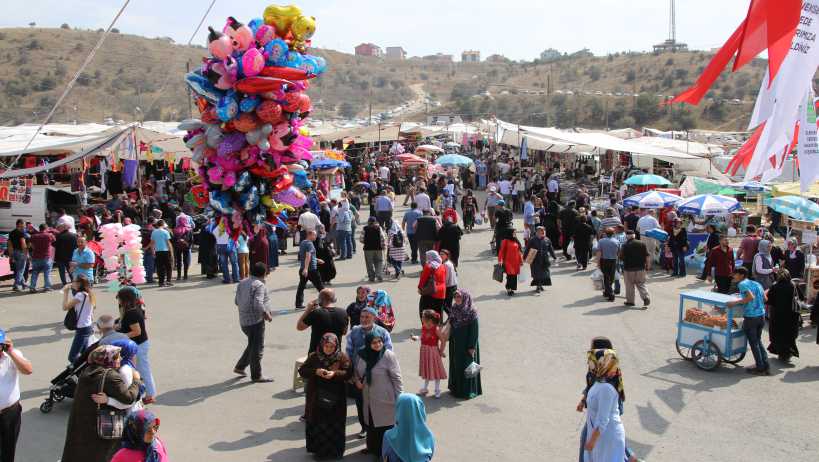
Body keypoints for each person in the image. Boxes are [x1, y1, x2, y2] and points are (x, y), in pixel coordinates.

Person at [60, 345, 141, 462]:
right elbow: (128, 398)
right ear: (108, 358)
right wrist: (137, 381)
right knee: (101, 455)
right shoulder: (110, 376)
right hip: (100, 425)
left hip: (81, 424)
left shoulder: (87, 371)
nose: (120, 358)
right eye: (117, 356)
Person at [299, 333, 352, 460]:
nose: (328, 349)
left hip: (336, 398)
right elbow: (302, 371)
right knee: (319, 423)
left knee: (335, 424)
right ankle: (319, 452)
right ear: (322, 345)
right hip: (316, 397)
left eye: (331, 347)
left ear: (336, 347)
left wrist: (334, 374)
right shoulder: (314, 357)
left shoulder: (342, 357)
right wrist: (315, 372)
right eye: (326, 346)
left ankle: (335, 452)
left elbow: (348, 373)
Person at [346, 308, 394, 439]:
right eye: (362, 317)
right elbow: (349, 356)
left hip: (379, 378)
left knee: (378, 405)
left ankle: (378, 433)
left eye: (367, 317)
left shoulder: (382, 332)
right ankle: (364, 427)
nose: (364, 319)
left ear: (374, 318)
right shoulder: (354, 332)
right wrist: (354, 378)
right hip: (359, 378)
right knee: (361, 404)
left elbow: (389, 354)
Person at [354, 331, 403, 457]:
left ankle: (384, 453)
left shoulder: (387, 355)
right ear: (368, 343)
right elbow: (356, 371)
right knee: (370, 423)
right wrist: (357, 381)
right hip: (368, 397)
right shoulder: (361, 354)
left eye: (379, 342)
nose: (377, 345)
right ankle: (372, 448)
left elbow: (397, 378)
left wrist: (399, 398)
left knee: (384, 427)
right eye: (374, 342)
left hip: (384, 398)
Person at [582, 349, 627, 462]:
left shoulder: (606, 389)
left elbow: (603, 420)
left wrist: (591, 442)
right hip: (600, 436)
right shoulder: (598, 384)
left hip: (608, 438)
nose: (589, 365)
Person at [234, 262, 274, 383]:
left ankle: (240, 367)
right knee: (257, 348)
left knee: (253, 344)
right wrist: (266, 314)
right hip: (255, 322)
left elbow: (236, 301)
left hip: (244, 321)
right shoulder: (259, 285)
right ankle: (256, 375)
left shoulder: (242, 282)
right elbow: (258, 303)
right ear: (264, 274)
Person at [116, 287, 157, 403]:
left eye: (119, 298)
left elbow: (136, 331)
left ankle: (150, 395)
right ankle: (145, 392)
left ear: (124, 299)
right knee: (139, 369)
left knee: (143, 370)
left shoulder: (131, 313)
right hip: (140, 344)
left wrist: (122, 336)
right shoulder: (132, 309)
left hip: (139, 345)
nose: (118, 300)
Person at [726, 267, 770, 375]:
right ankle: (765, 365)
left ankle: (760, 367)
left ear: (741, 275)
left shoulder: (742, 284)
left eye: (735, 274)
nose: (733, 276)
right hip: (761, 316)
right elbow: (765, 299)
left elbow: (750, 297)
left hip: (751, 317)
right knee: (758, 341)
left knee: (754, 343)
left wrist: (734, 303)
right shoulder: (756, 283)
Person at [0, 329, 33, 462]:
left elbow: (28, 370)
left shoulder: (12, 356)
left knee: (8, 449)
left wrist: (11, 352)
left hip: (9, 413)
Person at [92, 339, 143, 413]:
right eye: (133, 354)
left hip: (129, 412)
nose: (120, 358)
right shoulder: (124, 371)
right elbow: (128, 401)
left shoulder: (122, 370)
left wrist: (108, 400)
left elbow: (129, 401)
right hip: (128, 413)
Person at [447, 289, 481, 399]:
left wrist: (472, 347)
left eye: (459, 297)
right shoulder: (454, 309)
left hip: (467, 345)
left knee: (468, 367)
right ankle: (456, 389)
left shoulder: (471, 312)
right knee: (457, 366)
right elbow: (450, 324)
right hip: (456, 344)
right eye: (455, 297)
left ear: (465, 298)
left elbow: (475, 330)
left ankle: (468, 391)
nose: (457, 299)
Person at [382, 393, 436, 462]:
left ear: (398, 411)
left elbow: (385, 457)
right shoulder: (429, 436)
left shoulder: (389, 436)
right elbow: (430, 456)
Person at [297, 288, 349, 354]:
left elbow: (299, 327)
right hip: (335, 355)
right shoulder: (343, 313)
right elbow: (344, 332)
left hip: (316, 356)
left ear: (320, 300)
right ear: (334, 299)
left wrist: (308, 310)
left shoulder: (316, 313)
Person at [766, 268, 800, 362]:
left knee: (777, 334)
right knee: (789, 334)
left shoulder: (775, 286)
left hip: (777, 314)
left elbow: (769, 300)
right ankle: (788, 352)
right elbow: (800, 297)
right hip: (791, 314)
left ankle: (781, 353)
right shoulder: (793, 285)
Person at [62, 276, 96, 363]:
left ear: (79, 283)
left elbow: (65, 307)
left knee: (72, 357)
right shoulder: (89, 294)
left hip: (82, 329)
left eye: (74, 281)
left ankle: (80, 372)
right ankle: (87, 370)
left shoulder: (80, 295)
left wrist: (65, 292)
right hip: (87, 326)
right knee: (85, 354)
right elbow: (91, 313)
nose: (72, 283)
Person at [414, 310, 447, 399]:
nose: (422, 318)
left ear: (429, 320)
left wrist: (440, 351)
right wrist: (416, 338)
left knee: (436, 370)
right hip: (424, 351)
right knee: (427, 369)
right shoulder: (424, 327)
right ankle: (425, 388)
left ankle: (437, 389)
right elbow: (423, 336)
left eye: (423, 317)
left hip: (433, 351)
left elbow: (443, 340)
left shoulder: (435, 329)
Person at [295, 230, 325, 309]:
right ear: (310, 235)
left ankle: (298, 304)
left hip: (303, 268)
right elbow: (308, 256)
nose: (316, 237)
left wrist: (317, 260)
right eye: (315, 235)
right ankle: (326, 301)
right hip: (311, 270)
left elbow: (308, 256)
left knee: (301, 287)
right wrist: (306, 269)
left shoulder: (303, 243)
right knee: (320, 286)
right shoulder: (309, 244)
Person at [620, 230, 650, 308]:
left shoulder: (625, 245)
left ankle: (630, 301)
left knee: (629, 285)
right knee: (641, 284)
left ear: (627, 236)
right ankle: (645, 297)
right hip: (641, 268)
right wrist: (648, 265)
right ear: (634, 235)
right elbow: (647, 255)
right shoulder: (642, 243)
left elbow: (621, 257)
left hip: (628, 268)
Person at [525, 226, 557, 294]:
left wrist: (554, 257)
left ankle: (540, 285)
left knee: (544, 273)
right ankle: (538, 286)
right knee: (537, 273)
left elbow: (551, 249)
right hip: (535, 259)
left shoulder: (547, 239)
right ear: (536, 232)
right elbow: (527, 249)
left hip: (544, 259)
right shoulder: (532, 240)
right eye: (540, 231)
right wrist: (524, 258)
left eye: (543, 231)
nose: (542, 232)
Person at [418, 250, 447, 318]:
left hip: (431, 292)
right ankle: (439, 326)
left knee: (425, 311)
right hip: (442, 292)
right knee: (438, 312)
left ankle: (428, 327)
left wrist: (420, 288)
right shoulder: (442, 266)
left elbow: (423, 279)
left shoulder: (429, 266)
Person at [28, 223, 55, 292]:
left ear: (39, 228)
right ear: (46, 228)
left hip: (35, 257)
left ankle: (32, 287)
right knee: (47, 272)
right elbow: (54, 240)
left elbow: (30, 245)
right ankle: (47, 287)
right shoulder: (49, 235)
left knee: (35, 272)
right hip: (46, 257)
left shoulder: (33, 236)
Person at [597, 228, 620, 302]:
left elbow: (599, 253)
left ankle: (610, 293)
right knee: (611, 276)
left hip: (604, 260)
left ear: (605, 233)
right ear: (613, 233)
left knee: (606, 277)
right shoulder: (617, 241)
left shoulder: (601, 241)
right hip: (613, 260)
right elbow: (618, 253)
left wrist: (598, 262)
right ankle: (607, 292)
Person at [498, 230, 523, 296]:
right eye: (514, 233)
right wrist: (499, 260)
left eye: (515, 232)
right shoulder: (505, 241)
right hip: (508, 262)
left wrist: (521, 261)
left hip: (516, 262)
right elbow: (501, 251)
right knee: (510, 275)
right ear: (510, 233)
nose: (515, 234)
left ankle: (512, 288)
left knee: (514, 276)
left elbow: (519, 252)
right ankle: (508, 288)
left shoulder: (516, 241)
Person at [213, 220, 239, 284]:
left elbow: (214, 233)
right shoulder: (231, 227)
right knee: (234, 263)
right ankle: (236, 278)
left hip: (221, 248)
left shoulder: (218, 228)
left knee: (224, 264)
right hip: (231, 247)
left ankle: (227, 279)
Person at [362, 217, 387, 283]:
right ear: (375, 222)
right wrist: (384, 246)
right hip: (378, 248)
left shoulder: (365, 228)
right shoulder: (379, 228)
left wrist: (366, 241)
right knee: (379, 261)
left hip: (368, 249)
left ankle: (371, 277)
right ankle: (379, 274)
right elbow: (383, 238)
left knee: (369, 263)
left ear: (368, 222)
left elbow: (361, 239)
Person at [150, 220, 174, 287]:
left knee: (160, 267)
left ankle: (161, 282)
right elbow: (168, 243)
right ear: (163, 224)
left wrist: (153, 251)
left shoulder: (154, 232)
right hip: (166, 251)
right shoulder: (165, 232)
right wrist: (171, 252)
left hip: (158, 251)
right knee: (168, 267)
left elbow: (152, 243)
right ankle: (168, 281)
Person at [53, 223, 78, 287]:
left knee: (62, 271)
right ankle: (73, 281)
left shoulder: (58, 236)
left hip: (60, 256)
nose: (59, 229)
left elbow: (54, 245)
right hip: (71, 256)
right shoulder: (74, 235)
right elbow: (77, 246)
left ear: (63, 228)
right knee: (71, 269)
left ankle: (64, 283)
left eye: (60, 228)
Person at [7, 220, 28, 292]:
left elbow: (9, 244)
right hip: (21, 252)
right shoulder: (22, 233)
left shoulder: (11, 233)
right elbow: (23, 243)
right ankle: (16, 285)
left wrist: (11, 255)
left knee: (18, 269)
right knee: (21, 270)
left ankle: (23, 283)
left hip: (14, 252)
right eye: (24, 225)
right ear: (20, 224)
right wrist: (26, 254)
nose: (25, 226)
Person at [172, 216, 193, 281]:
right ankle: (185, 275)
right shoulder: (189, 229)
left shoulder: (175, 229)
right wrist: (188, 245)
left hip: (178, 247)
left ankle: (178, 276)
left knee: (178, 261)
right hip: (186, 246)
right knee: (185, 261)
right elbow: (191, 240)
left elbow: (173, 240)